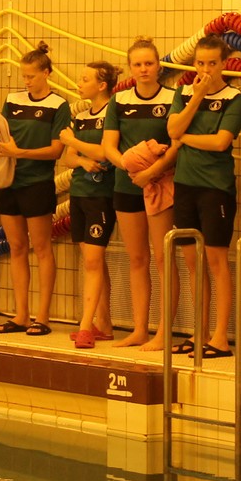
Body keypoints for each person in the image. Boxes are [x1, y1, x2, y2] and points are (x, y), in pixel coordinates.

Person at [167, 35, 241, 359]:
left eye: (212, 63)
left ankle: (220, 337)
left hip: (215, 188)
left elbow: (220, 142)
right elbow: (172, 131)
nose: (206, 69)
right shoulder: (184, 92)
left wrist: (184, 137)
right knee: (192, 263)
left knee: (216, 261)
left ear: (223, 64)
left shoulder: (234, 98)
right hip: (185, 185)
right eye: (200, 63)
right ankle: (199, 332)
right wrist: (197, 96)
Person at [102, 38, 178, 349]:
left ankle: (164, 332)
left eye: (149, 63)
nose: (144, 69)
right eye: (137, 64)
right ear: (130, 68)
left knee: (163, 258)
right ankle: (140, 329)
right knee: (137, 258)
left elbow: (177, 144)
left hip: (159, 185)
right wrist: (129, 165)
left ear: (158, 65)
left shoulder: (173, 98)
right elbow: (109, 145)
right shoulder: (119, 100)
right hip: (127, 185)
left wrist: (151, 171)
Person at [0, 43, 68, 335]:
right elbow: (2, 134)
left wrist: (19, 153)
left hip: (37, 183)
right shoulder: (13, 100)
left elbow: (55, 150)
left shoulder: (58, 105)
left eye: (31, 76)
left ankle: (43, 316)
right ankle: (21, 314)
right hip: (10, 181)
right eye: (23, 76)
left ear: (46, 73)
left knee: (42, 248)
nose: (26, 81)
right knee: (16, 247)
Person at [61, 61, 118, 348]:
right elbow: (68, 158)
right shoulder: (82, 117)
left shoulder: (112, 113)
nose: (79, 83)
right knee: (93, 261)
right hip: (80, 193)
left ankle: (85, 326)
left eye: (85, 79)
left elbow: (105, 151)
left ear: (102, 85)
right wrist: (83, 160)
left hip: (101, 195)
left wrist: (74, 142)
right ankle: (103, 324)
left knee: (93, 262)